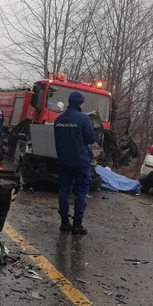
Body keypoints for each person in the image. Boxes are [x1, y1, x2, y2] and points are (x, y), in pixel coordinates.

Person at [54, 91, 96, 235]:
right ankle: (77, 224)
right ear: (80, 103)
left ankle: (64, 222)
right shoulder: (83, 119)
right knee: (81, 192)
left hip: (64, 161)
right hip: (80, 162)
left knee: (64, 191)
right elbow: (91, 139)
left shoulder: (59, 119)